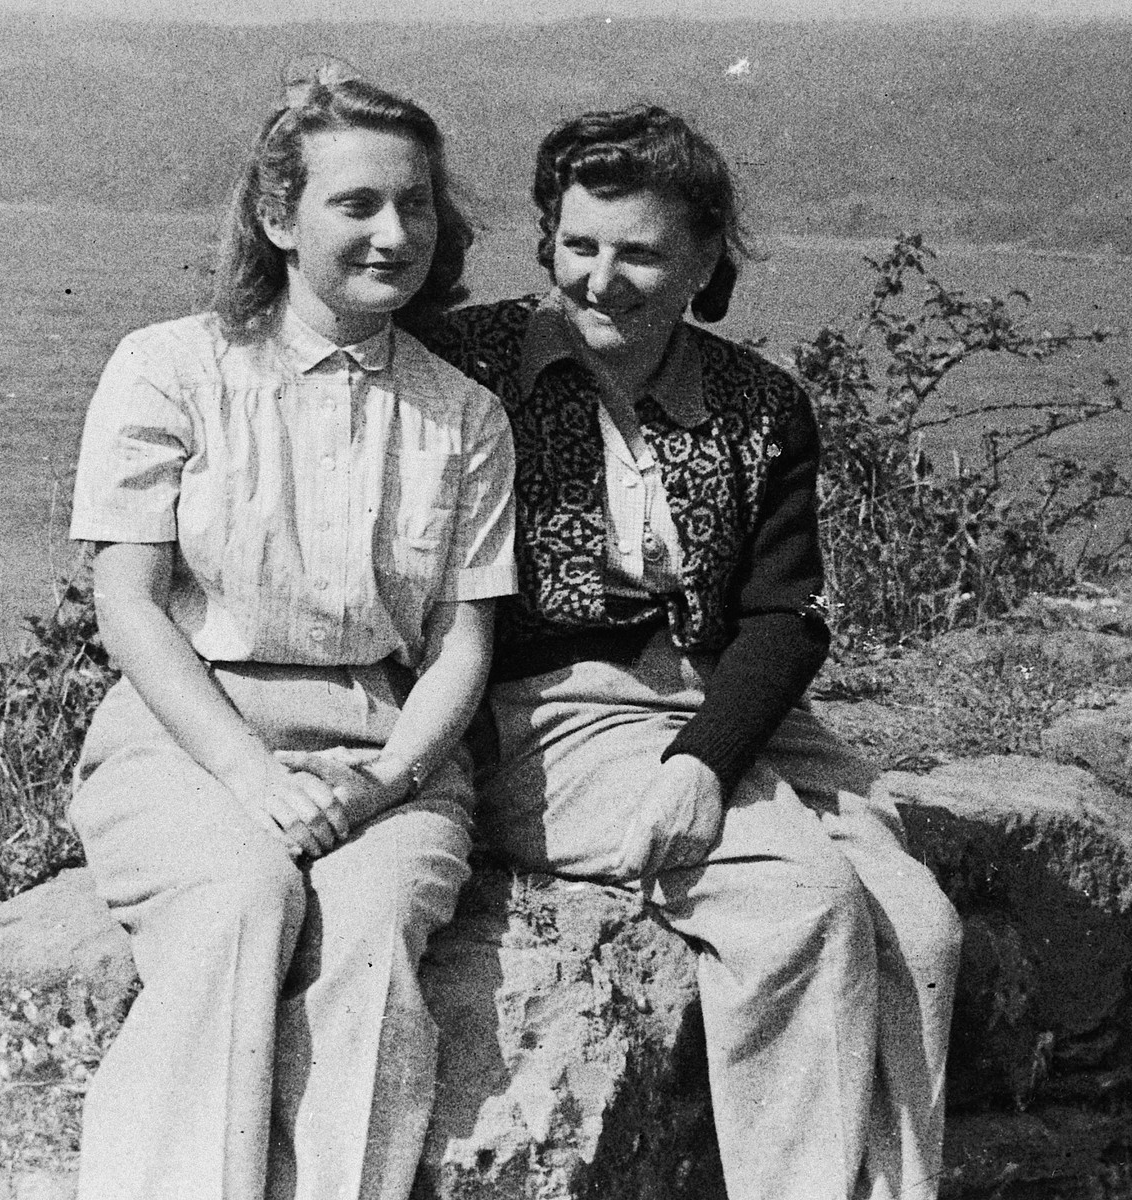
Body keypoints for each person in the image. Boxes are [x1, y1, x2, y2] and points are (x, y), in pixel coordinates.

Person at [418, 105, 962, 1200]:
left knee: (921, 926)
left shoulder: (760, 404)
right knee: (801, 904)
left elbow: (784, 617)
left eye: (640, 253)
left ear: (706, 258)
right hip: (548, 709)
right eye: (579, 245)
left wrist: (706, 760)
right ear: (547, 240)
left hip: (725, 703)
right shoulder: (466, 368)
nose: (600, 280)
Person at [65, 69, 515, 1200]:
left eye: (414, 205)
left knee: (368, 938)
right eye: (356, 204)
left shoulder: (464, 414)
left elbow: (463, 640)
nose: (394, 233)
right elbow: (128, 604)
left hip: (385, 744)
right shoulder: (170, 367)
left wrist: (393, 780)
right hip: (190, 733)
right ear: (278, 218)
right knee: (239, 904)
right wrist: (252, 777)